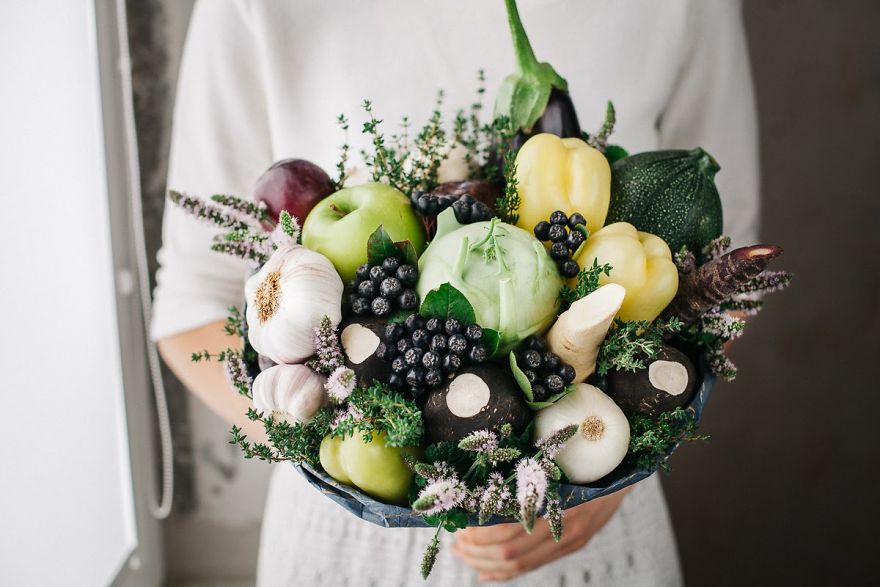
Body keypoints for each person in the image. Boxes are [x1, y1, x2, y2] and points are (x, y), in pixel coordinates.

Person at [153, 1, 758, 584]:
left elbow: (729, 272)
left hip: (593, 534)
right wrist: (317, 436)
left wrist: (607, 480)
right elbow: (189, 304)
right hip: (346, 549)